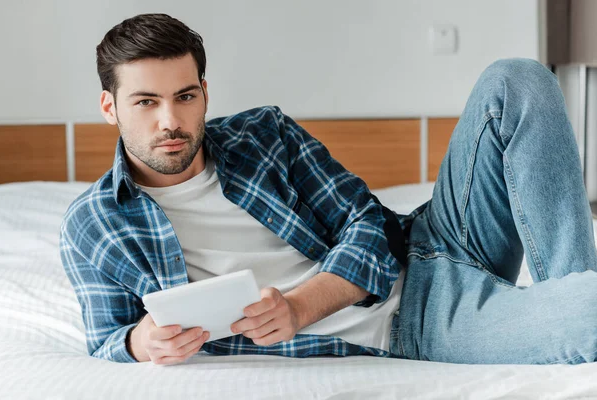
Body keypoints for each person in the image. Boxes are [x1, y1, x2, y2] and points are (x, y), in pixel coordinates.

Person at [60, 13, 597, 366]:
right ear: (110, 107)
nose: (170, 121)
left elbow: (367, 223)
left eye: (184, 96)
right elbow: (108, 339)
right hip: (414, 322)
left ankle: (571, 288)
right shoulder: (96, 224)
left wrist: (297, 308)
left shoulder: (263, 134)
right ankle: (572, 307)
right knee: (589, 314)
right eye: (146, 102)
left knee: (517, 78)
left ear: (204, 92)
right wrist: (141, 341)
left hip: (430, 242)